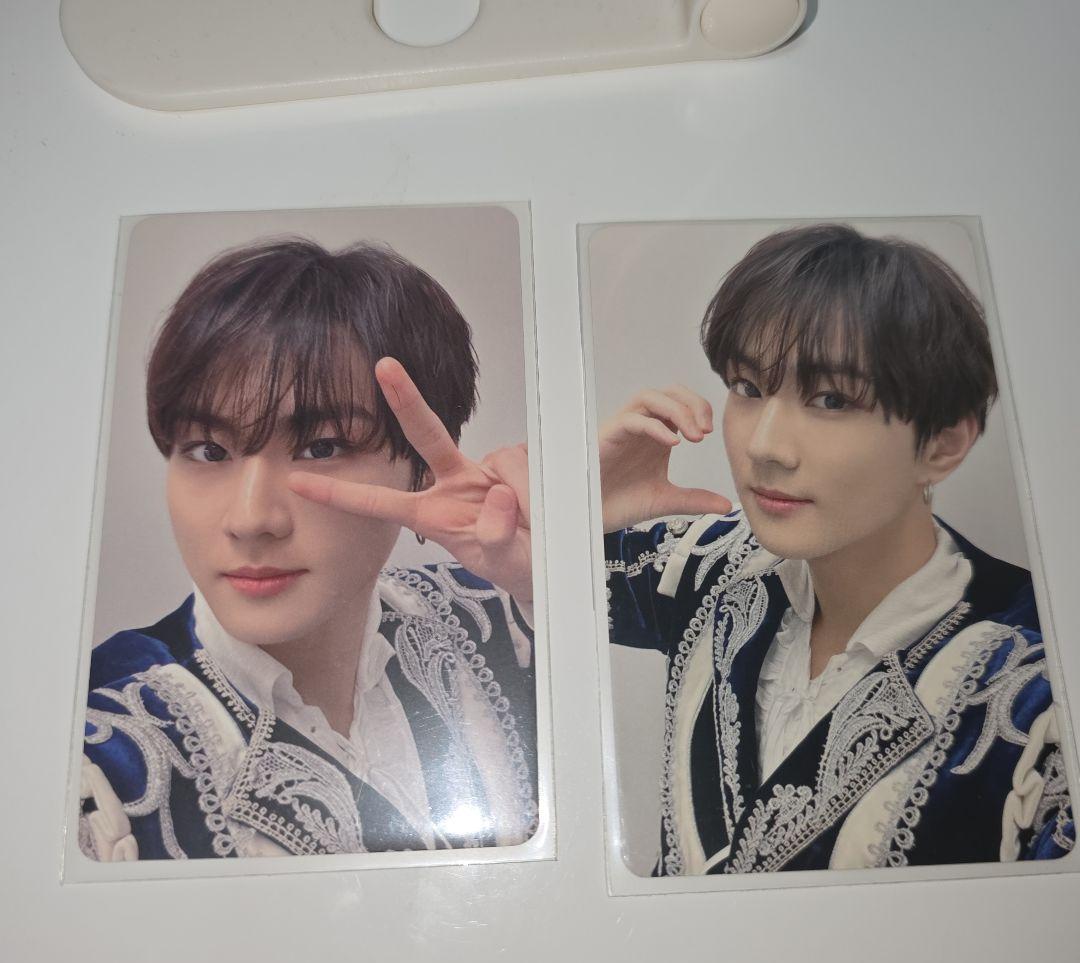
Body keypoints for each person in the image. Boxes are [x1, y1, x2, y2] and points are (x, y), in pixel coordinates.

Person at [600, 223, 1074, 875]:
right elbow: (526, 577)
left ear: (942, 444)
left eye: (830, 399)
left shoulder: (1038, 688)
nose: (765, 446)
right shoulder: (719, 561)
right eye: (748, 387)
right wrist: (586, 501)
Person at [80, 238, 538, 861]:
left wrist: (550, 569)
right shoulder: (102, 756)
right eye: (209, 451)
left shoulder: (496, 613)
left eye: (322, 447)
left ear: (420, 470)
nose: (250, 520)